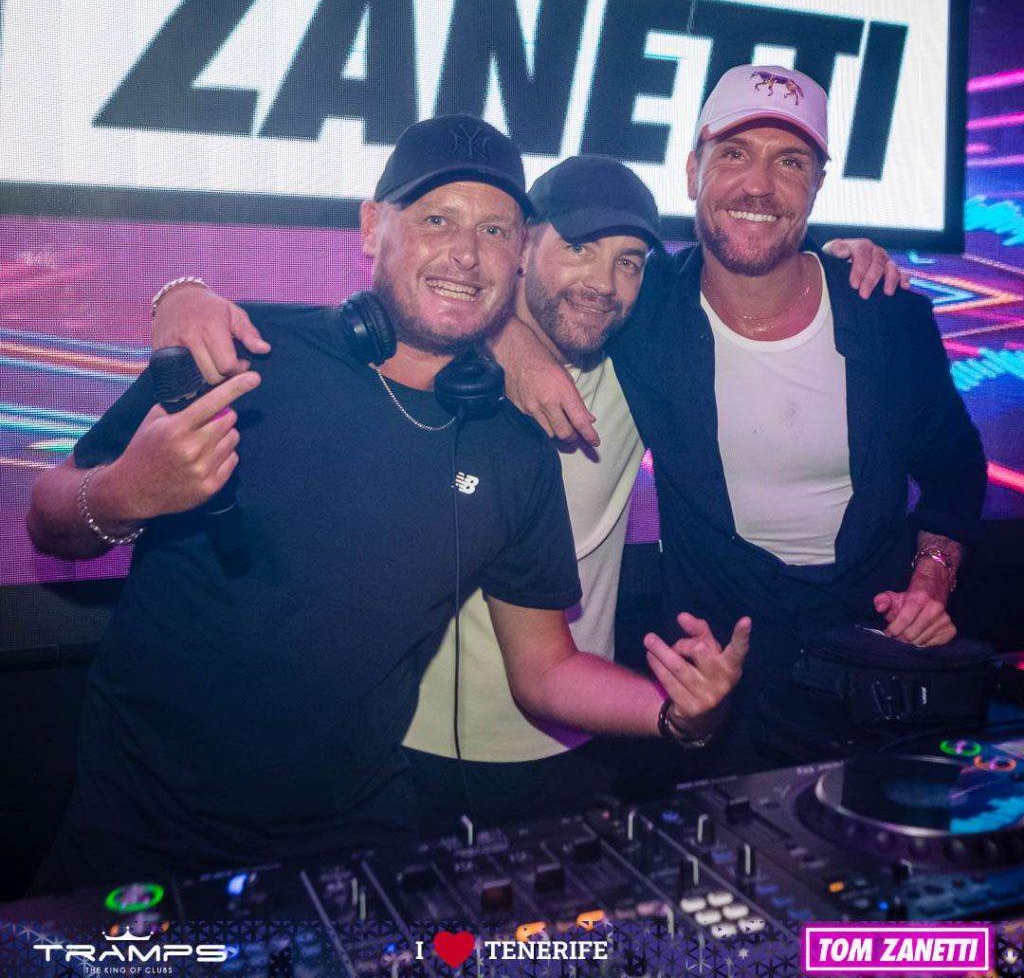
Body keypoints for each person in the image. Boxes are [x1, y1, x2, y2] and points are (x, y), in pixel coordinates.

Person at [27, 115, 752, 892]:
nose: (466, 253)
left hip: (348, 840)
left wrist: (676, 713)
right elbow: (49, 517)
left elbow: (546, 671)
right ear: (373, 227)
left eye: (494, 230)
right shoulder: (248, 354)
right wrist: (125, 492)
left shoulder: (514, 451)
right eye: (437, 220)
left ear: (517, 256)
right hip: (135, 829)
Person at [150, 146, 904, 829]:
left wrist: (837, 261)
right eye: (578, 248)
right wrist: (179, 293)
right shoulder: (437, 357)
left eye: (629, 262)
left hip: (579, 733)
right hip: (405, 746)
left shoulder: (640, 372)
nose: (602, 283)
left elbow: (747, 284)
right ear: (521, 249)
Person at [498, 66, 988, 773]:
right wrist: (509, 343)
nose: (758, 185)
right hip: (710, 681)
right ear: (692, 171)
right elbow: (520, 291)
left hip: (873, 674)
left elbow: (955, 466)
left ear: (817, 185)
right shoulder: (644, 306)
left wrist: (930, 580)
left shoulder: (886, 315)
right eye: (733, 153)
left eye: (790, 162)